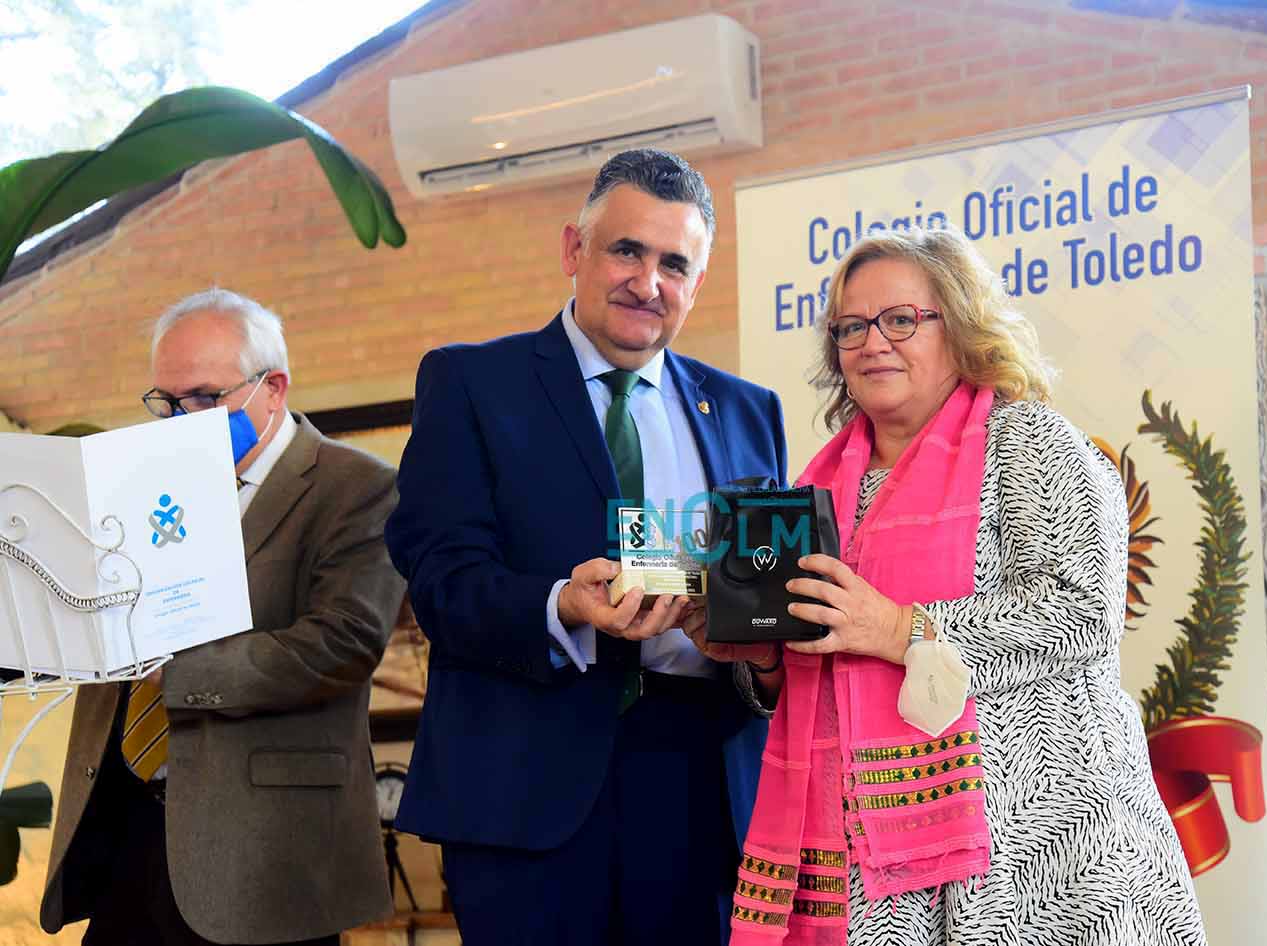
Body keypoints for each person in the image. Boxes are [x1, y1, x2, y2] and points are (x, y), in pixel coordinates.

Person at [705, 228, 1207, 945]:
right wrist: (760, 657)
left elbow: (1081, 614)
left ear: (961, 325)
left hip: (1039, 853)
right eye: (851, 327)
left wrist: (900, 628)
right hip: (872, 870)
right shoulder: (815, 489)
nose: (873, 343)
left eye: (901, 319)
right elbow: (816, 672)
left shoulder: (1030, 440)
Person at [383, 148, 788, 946]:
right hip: (526, 789)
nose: (648, 282)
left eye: (674, 263)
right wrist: (560, 604)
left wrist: (754, 644)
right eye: (626, 251)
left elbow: (766, 604)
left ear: (697, 281)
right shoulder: (472, 385)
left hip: (701, 789)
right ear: (574, 249)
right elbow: (441, 577)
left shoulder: (749, 412)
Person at [41, 289, 406, 946]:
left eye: (205, 398)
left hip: (263, 850)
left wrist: (178, 675)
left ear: (274, 388)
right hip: (125, 825)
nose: (182, 420)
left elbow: (343, 643)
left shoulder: (356, 488)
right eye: (166, 402)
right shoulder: (139, 482)